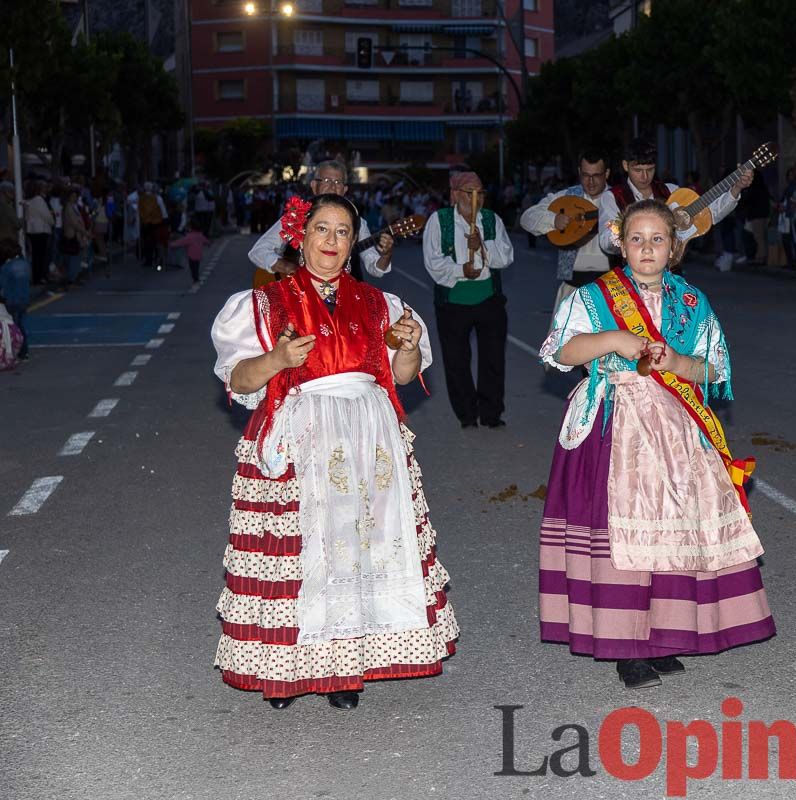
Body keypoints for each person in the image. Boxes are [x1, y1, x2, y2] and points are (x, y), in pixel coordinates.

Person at [210, 193, 457, 710]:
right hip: (301, 434)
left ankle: (344, 670)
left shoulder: (378, 304)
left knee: (356, 547)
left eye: (343, 232)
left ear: (351, 243)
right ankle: (287, 672)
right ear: (300, 238)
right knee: (301, 553)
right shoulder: (263, 304)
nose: (332, 241)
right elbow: (238, 378)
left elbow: (403, 376)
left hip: (368, 438)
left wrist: (408, 347)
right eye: (322, 229)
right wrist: (276, 358)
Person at [538, 198, 774, 689]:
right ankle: (627, 643)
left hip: (677, 424)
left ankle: (665, 635)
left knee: (677, 528)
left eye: (658, 240)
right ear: (620, 243)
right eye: (637, 239)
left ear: (675, 248)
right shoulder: (592, 296)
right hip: (614, 422)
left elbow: (714, 368)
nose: (647, 249)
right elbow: (561, 351)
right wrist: (614, 339)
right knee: (624, 533)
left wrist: (677, 364)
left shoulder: (692, 301)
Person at [422, 171, 514, 428]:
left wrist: (482, 245)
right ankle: (466, 414)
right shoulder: (438, 221)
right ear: (455, 195)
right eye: (469, 193)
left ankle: (491, 413)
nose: (476, 198)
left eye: (480, 193)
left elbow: (506, 257)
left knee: (493, 358)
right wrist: (461, 270)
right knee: (456, 360)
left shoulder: (491, 220)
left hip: (489, 298)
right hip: (453, 301)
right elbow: (433, 262)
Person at [598, 138, 750, 266]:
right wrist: (621, 235)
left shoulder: (671, 192)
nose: (644, 176)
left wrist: (736, 189)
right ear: (626, 166)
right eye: (638, 170)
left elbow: (711, 213)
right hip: (630, 281)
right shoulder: (612, 197)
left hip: (670, 278)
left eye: (650, 169)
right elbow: (605, 243)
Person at [248, 161, 394, 282]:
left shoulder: (357, 222)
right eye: (326, 181)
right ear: (314, 186)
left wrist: (386, 256)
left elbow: (375, 268)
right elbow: (258, 251)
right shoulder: (297, 216)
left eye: (338, 182)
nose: (332, 186)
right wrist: (287, 267)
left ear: (344, 189)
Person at [520, 149, 612, 324]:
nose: (591, 182)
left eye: (597, 175)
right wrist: (553, 219)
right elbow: (527, 218)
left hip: (611, 292)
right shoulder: (566, 198)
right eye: (585, 175)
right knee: (566, 349)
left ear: (607, 173)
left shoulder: (620, 200)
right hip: (573, 289)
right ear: (579, 172)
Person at [0, 239, 30, 360]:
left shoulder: (6, 267)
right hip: (24, 298)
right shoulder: (25, 264)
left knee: (14, 326)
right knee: (20, 325)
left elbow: (3, 286)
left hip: (12, 300)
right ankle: (23, 352)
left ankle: (20, 351)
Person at [25, 181, 54, 286]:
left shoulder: (28, 200)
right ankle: (39, 277)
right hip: (41, 230)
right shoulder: (38, 200)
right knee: (41, 256)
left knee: (36, 256)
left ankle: (37, 277)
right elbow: (46, 215)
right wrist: (52, 221)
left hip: (32, 230)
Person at [168, 217, 211, 284]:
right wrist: (209, 243)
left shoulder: (189, 236)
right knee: (196, 267)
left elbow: (181, 242)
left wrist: (172, 244)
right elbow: (206, 241)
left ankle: (195, 278)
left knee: (192, 268)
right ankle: (196, 278)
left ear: (190, 227)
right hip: (199, 255)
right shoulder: (200, 235)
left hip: (191, 256)